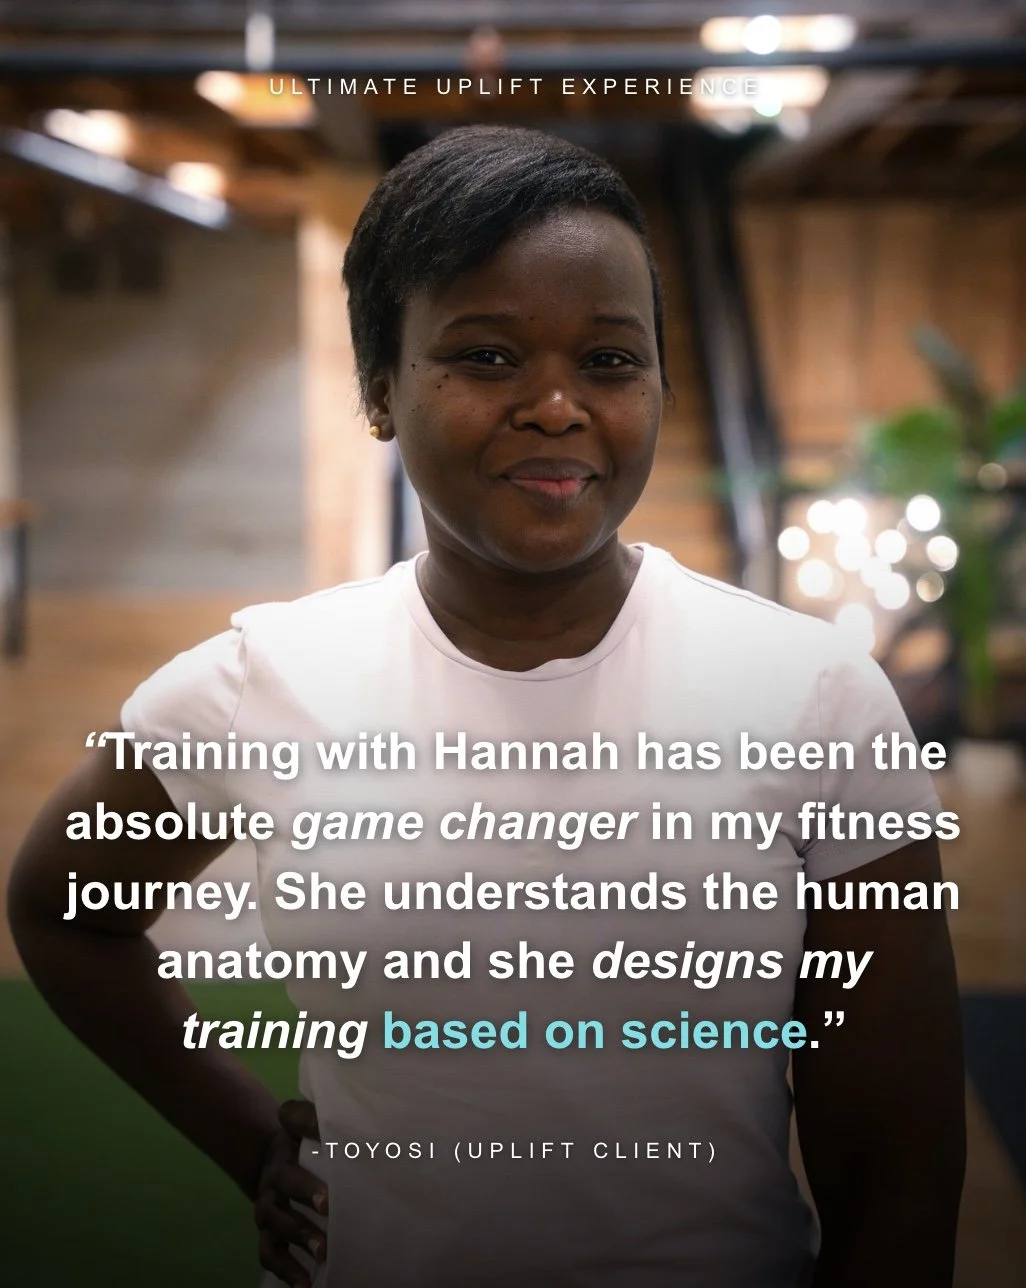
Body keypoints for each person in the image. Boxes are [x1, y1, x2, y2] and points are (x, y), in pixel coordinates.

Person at [8, 124, 964, 1288]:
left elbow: (901, 1186)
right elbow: (63, 910)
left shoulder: (819, 699)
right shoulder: (260, 682)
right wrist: (251, 1140)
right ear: (378, 389)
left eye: (611, 360)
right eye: (487, 356)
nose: (557, 405)